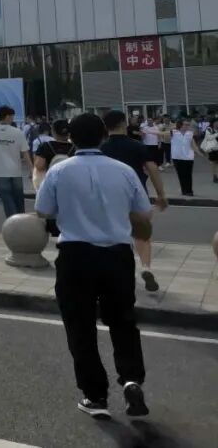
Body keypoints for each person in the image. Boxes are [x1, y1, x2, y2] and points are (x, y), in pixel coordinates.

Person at [35, 113, 152, 421]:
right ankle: (131, 379)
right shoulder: (123, 170)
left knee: (80, 326)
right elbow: (143, 211)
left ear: (71, 138)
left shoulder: (59, 170)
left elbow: (42, 209)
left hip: (75, 255)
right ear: (103, 136)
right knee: (123, 321)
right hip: (117, 255)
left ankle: (95, 395)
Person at [101, 111, 168, 293]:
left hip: (110, 198)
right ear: (124, 124)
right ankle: (146, 268)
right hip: (138, 195)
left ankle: (117, 271)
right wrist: (161, 194)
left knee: (114, 236)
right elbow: (153, 169)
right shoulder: (137, 146)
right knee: (142, 235)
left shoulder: (102, 148)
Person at [0, 107, 32, 218]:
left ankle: (12, 220)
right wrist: (31, 169)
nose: (13, 119)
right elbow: (25, 152)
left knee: (7, 199)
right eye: (12, 116)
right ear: (7, 116)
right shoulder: (17, 132)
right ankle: (21, 219)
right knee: (18, 198)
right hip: (15, 171)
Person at [170, 118, 204, 197]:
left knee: (188, 174)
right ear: (180, 125)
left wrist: (199, 153)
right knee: (181, 175)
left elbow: (193, 145)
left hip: (188, 157)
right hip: (177, 157)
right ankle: (184, 190)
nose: (187, 126)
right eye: (185, 124)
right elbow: (161, 133)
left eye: (188, 125)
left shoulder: (190, 133)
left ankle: (189, 191)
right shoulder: (174, 132)